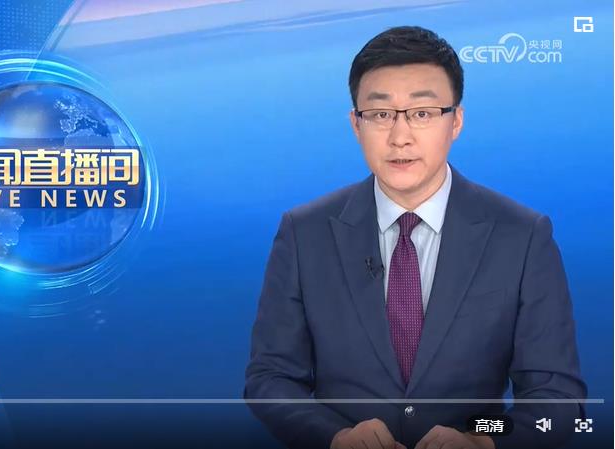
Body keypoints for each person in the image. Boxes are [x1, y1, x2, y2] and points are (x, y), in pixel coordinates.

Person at [244, 26, 586, 449]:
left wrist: (482, 438)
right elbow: (271, 379)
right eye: (380, 114)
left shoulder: (522, 236)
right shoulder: (304, 233)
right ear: (356, 124)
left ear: (455, 121)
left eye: (422, 113)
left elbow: (559, 400)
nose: (400, 136)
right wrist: (335, 436)